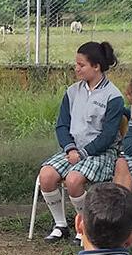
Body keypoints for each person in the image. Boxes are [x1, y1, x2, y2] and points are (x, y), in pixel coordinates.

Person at [37, 41, 124, 243]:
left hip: (100, 153)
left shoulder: (113, 96)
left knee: (73, 180)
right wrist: (69, 148)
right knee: (46, 176)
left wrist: (83, 153)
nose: (76, 68)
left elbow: (109, 135)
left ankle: (84, 224)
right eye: (76, 64)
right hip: (73, 150)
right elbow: (62, 125)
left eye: (81, 65)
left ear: (96, 66)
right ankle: (60, 225)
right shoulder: (72, 91)